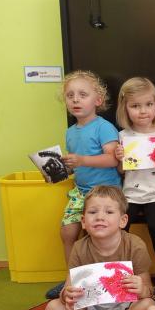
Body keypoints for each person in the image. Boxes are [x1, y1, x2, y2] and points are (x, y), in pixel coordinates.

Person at [40, 186, 155, 310]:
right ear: (83, 221)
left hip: (126, 309)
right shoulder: (79, 248)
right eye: (93, 212)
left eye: (109, 212)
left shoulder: (135, 245)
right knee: (52, 309)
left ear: (123, 221)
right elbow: (67, 291)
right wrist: (67, 295)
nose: (100, 217)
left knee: (148, 305)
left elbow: (148, 292)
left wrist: (141, 289)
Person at [113, 77, 155, 263]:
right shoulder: (123, 136)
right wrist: (120, 158)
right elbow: (121, 171)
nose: (143, 111)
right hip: (129, 195)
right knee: (119, 228)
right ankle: (121, 268)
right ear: (125, 108)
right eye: (135, 106)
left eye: (149, 104)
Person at [60, 70, 121, 265]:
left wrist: (81, 160)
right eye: (70, 95)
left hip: (105, 192)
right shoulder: (70, 132)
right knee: (67, 232)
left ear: (98, 100)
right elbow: (75, 165)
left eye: (83, 95)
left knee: (99, 235)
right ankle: (73, 276)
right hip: (80, 192)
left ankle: (102, 272)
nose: (75, 100)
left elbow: (113, 159)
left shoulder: (104, 127)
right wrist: (60, 170)